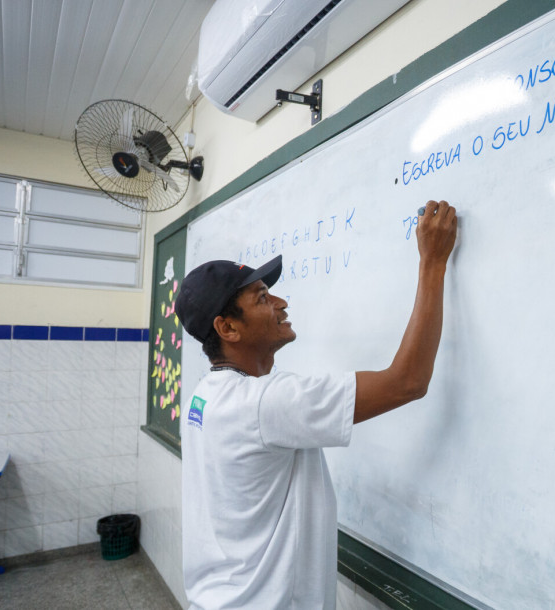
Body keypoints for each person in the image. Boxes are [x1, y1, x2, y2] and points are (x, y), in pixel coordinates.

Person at [175, 200, 458, 609]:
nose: (281, 303)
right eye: (262, 298)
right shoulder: (264, 404)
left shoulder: (203, 397)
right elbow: (408, 381)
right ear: (228, 328)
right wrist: (433, 262)